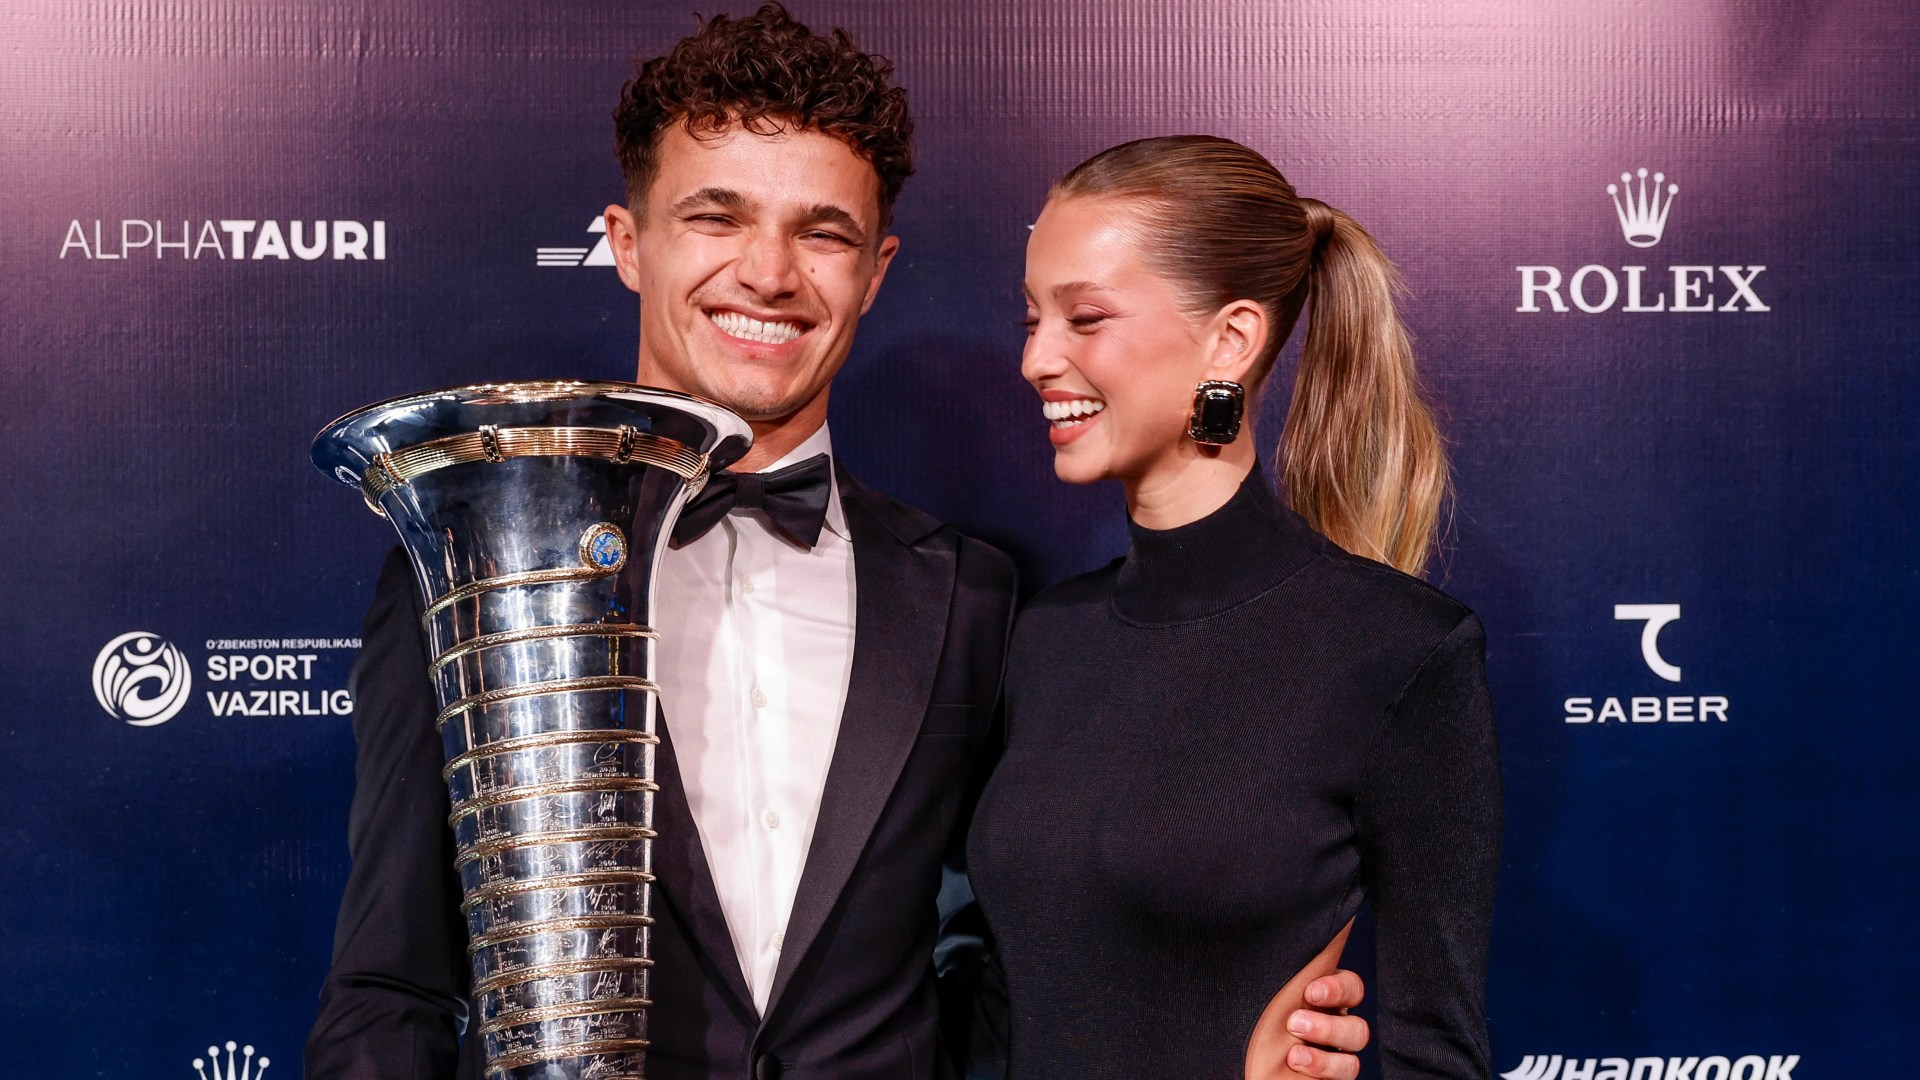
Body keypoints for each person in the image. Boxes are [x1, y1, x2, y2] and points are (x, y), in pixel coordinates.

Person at [306, 9, 1374, 1079]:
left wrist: (1235, 1033)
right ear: (628, 244)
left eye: (822, 235)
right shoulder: (479, 574)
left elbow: (1027, 956)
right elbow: (393, 989)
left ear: (875, 270)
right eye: (717, 218)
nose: (770, 274)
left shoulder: (973, 596)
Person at [969, 135, 1501, 1079]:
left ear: (1232, 339)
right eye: (1032, 318)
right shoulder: (1045, 637)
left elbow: (1437, 1052)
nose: (1036, 359)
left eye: (1085, 318)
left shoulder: (1398, 650)